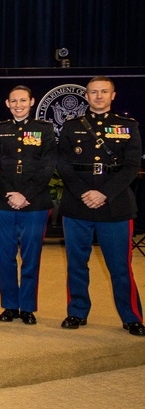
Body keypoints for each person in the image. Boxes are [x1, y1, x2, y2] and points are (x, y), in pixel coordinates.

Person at [56, 76, 144, 337]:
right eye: (94, 92)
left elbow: (131, 167)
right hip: (78, 205)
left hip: (114, 206)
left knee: (119, 266)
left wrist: (103, 193)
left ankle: (132, 316)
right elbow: (63, 164)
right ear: (87, 96)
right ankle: (77, 312)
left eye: (104, 92)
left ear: (113, 95)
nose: (99, 96)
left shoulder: (128, 126)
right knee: (76, 264)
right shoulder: (72, 127)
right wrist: (85, 192)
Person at [0, 86, 57, 325]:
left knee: (31, 257)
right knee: (5, 256)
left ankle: (27, 306)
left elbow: (48, 166)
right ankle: (10, 305)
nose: (18, 104)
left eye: (23, 100)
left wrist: (25, 194)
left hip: (34, 202)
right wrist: (10, 194)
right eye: (13, 101)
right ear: (7, 104)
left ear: (32, 101)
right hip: (3, 201)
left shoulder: (45, 129)